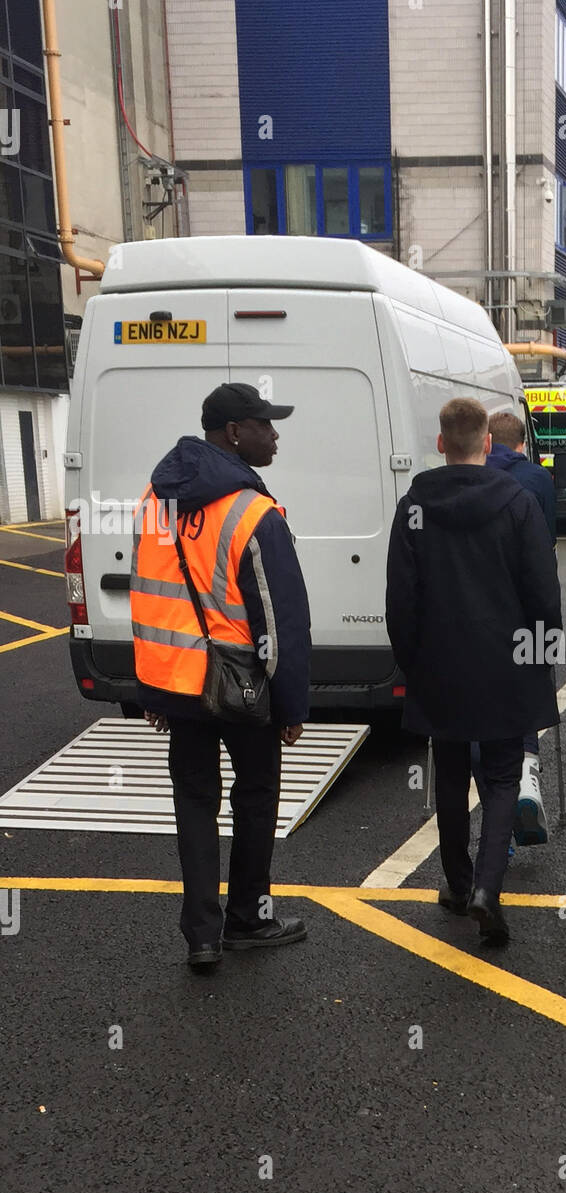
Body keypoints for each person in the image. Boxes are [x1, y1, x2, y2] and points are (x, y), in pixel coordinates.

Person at [130, 383, 312, 971]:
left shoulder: (153, 502)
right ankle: (248, 920)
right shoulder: (254, 512)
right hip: (242, 689)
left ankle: (201, 935)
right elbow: (279, 621)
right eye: (266, 424)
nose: (276, 435)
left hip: (180, 687)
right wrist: (291, 705)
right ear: (235, 432)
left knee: (193, 801)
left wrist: (153, 689)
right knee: (255, 796)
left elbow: (148, 602)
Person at [386, 397, 561, 946]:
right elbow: (542, 590)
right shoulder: (518, 501)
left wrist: (413, 661)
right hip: (508, 661)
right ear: (488, 443)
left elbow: (400, 602)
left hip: (440, 662)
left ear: (441, 443)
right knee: (504, 775)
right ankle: (488, 887)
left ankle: (458, 883)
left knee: (452, 771)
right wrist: (543, 650)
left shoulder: (414, 506)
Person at [485, 410, 556, 847]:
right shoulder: (538, 481)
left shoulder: (464, 476)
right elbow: (546, 548)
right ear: (521, 444)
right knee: (526, 697)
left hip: (473, 618)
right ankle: (527, 776)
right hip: (523, 614)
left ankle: (494, 830)